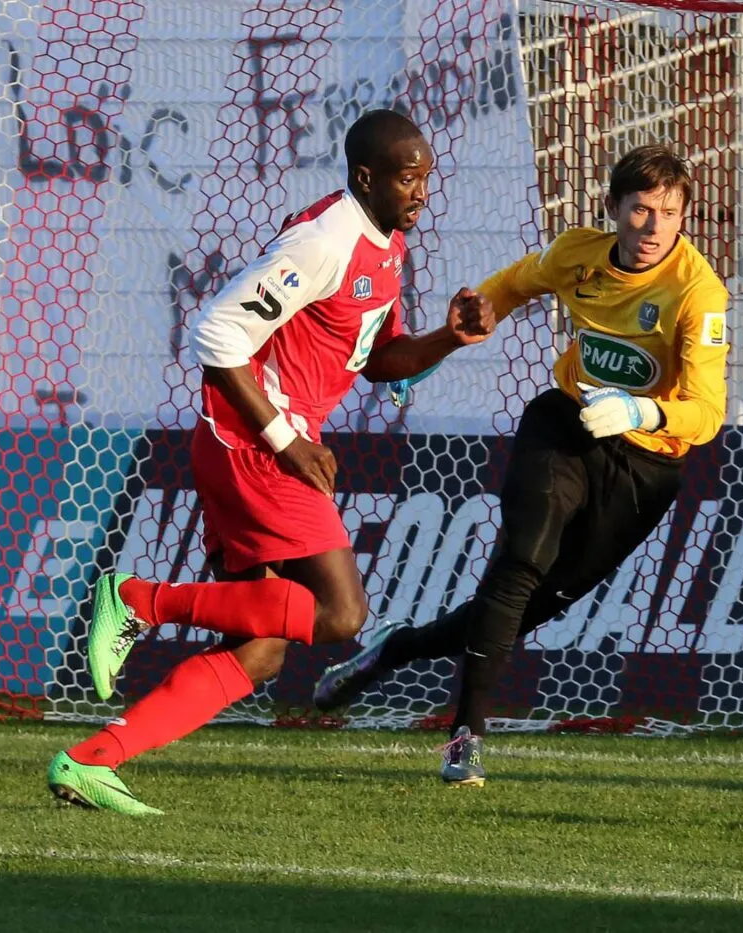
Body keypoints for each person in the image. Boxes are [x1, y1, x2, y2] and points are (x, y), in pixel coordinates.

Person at [46, 110, 496, 815]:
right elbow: (218, 332)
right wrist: (288, 439)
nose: (421, 192)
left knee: (260, 650)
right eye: (409, 178)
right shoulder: (325, 239)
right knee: (341, 612)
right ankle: (138, 599)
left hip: (259, 443)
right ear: (365, 176)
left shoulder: (386, 244)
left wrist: (449, 338)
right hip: (252, 444)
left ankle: (90, 760)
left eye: (426, 178)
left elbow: (379, 359)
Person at [312, 144, 731, 786]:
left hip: (644, 469)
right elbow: (507, 288)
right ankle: (465, 739)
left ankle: (393, 650)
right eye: (640, 210)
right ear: (614, 208)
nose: (652, 228)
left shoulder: (700, 296)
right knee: (520, 562)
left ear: (684, 218)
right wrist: (439, 348)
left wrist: (642, 414)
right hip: (564, 425)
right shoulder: (577, 253)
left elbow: (707, 414)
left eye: (668, 214)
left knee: (519, 608)